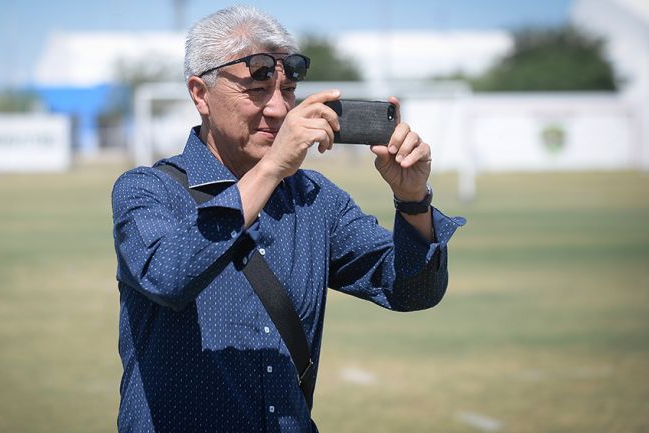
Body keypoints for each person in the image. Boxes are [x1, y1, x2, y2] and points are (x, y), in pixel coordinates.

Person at [112, 5, 464, 433]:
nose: (279, 109)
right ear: (200, 94)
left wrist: (413, 202)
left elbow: (413, 291)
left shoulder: (315, 198)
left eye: (288, 88)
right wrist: (272, 168)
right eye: (257, 87)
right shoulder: (148, 190)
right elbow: (167, 276)